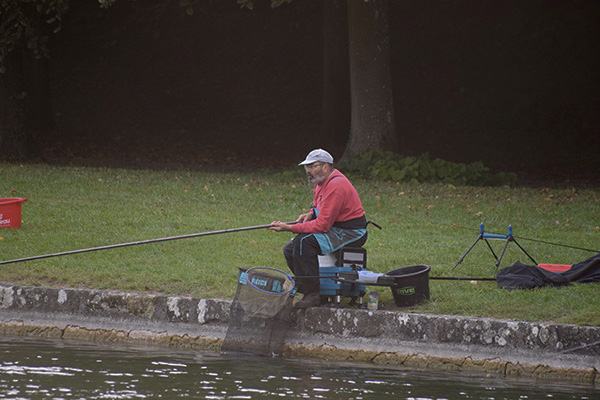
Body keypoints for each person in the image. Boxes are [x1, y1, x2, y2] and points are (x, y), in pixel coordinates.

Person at [269, 149, 368, 308]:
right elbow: (319, 205)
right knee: (290, 248)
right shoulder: (320, 182)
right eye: (306, 167)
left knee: (303, 242)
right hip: (335, 227)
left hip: (352, 232)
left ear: (326, 167)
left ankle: (312, 294)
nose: (308, 171)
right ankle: (310, 288)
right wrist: (310, 213)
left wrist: (289, 227)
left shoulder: (336, 186)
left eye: (313, 166)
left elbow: (322, 225)